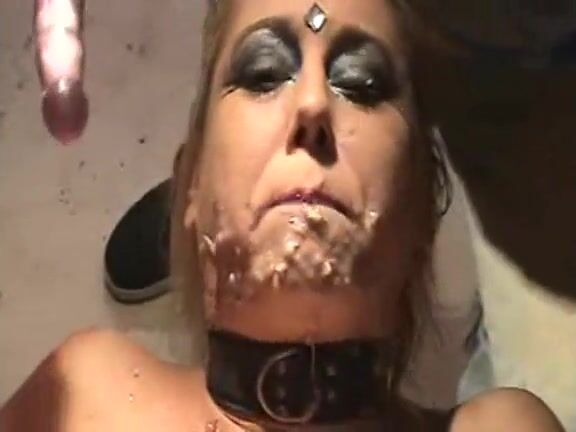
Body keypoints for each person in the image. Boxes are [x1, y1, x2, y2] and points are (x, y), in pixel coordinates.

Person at [3, 1, 564, 430]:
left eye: (362, 84)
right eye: (264, 74)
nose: (313, 103)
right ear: (192, 184)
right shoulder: (87, 394)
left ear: (425, 202)